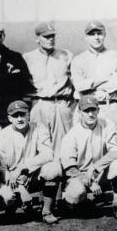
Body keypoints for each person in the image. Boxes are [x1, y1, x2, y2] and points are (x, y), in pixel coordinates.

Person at [60, 96, 117, 220]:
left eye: (93, 110)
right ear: (79, 112)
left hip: (101, 173)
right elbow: (70, 168)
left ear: (98, 110)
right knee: (76, 194)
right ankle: (74, 204)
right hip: (80, 176)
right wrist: (89, 182)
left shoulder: (107, 124)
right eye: (86, 111)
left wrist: (96, 167)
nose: (90, 114)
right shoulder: (72, 134)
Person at [0, 101, 62, 224]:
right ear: (9, 118)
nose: (20, 119)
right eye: (15, 116)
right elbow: (1, 168)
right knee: (9, 197)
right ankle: (12, 209)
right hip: (11, 179)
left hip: (32, 174)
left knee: (53, 168)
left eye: (23, 114)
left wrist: (23, 167)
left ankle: (47, 211)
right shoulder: (1, 136)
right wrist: (20, 187)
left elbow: (48, 154)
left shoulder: (39, 128)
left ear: (28, 115)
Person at [23, 22, 74, 157]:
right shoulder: (28, 58)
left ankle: (63, 176)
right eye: (46, 36)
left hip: (60, 103)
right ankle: (42, 176)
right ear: (37, 38)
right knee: (39, 143)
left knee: (63, 145)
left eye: (52, 36)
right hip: (38, 104)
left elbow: (75, 80)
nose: (51, 39)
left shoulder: (66, 55)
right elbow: (22, 84)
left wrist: (71, 99)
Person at [71, 21, 117, 141]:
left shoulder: (116, 56)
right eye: (92, 34)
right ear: (86, 38)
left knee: (114, 149)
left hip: (111, 106)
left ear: (105, 34)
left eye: (99, 33)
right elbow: (79, 86)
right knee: (84, 150)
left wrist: (90, 86)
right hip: (85, 110)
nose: (96, 37)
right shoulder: (78, 60)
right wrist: (105, 78)